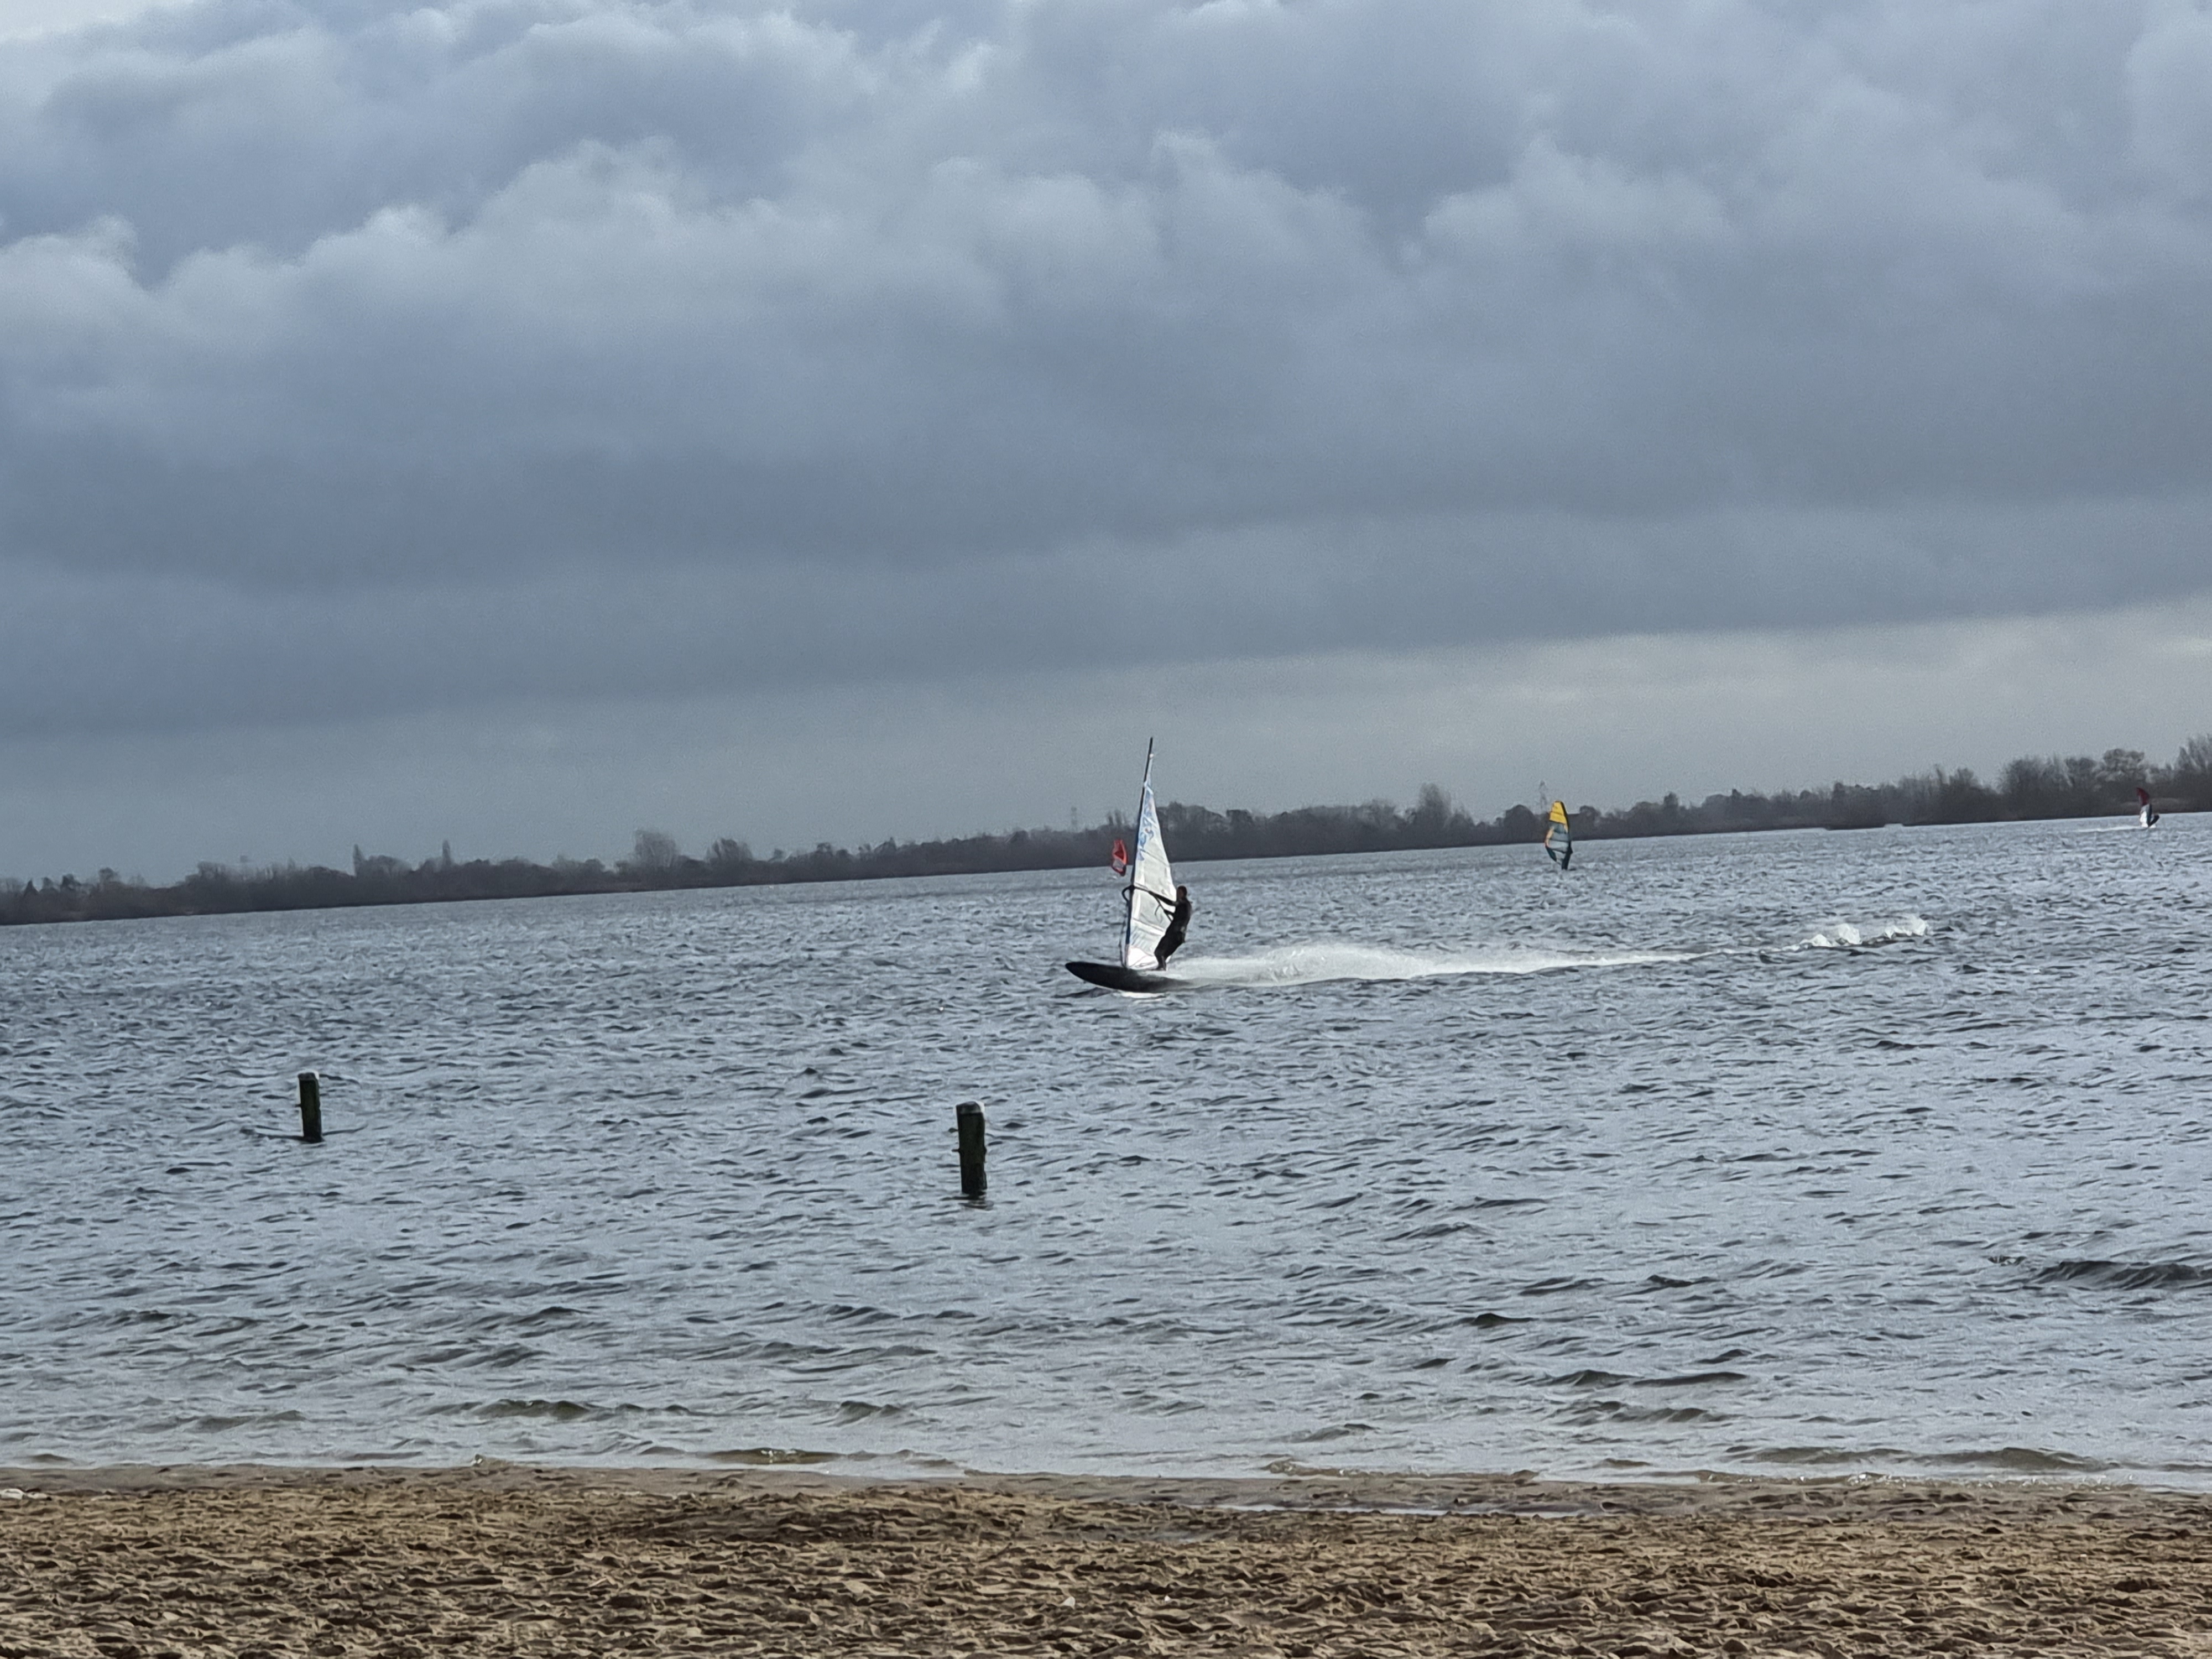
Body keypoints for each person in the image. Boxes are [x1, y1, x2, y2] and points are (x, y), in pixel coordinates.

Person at [1154, 884, 1193, 966]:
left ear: (1184, 894)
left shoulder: (1183, 903)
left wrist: (1156, 896)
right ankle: (1162, 969)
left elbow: (1171, 903)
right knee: (1163, 955)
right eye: (1177, 892)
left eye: (1180, 892)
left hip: (1175, 934)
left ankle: (1161, 969)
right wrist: (1170, 913)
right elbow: (1181, 917)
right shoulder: (1186, 905)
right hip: (1179, 936)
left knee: (1158, 953)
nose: (1178, 894)